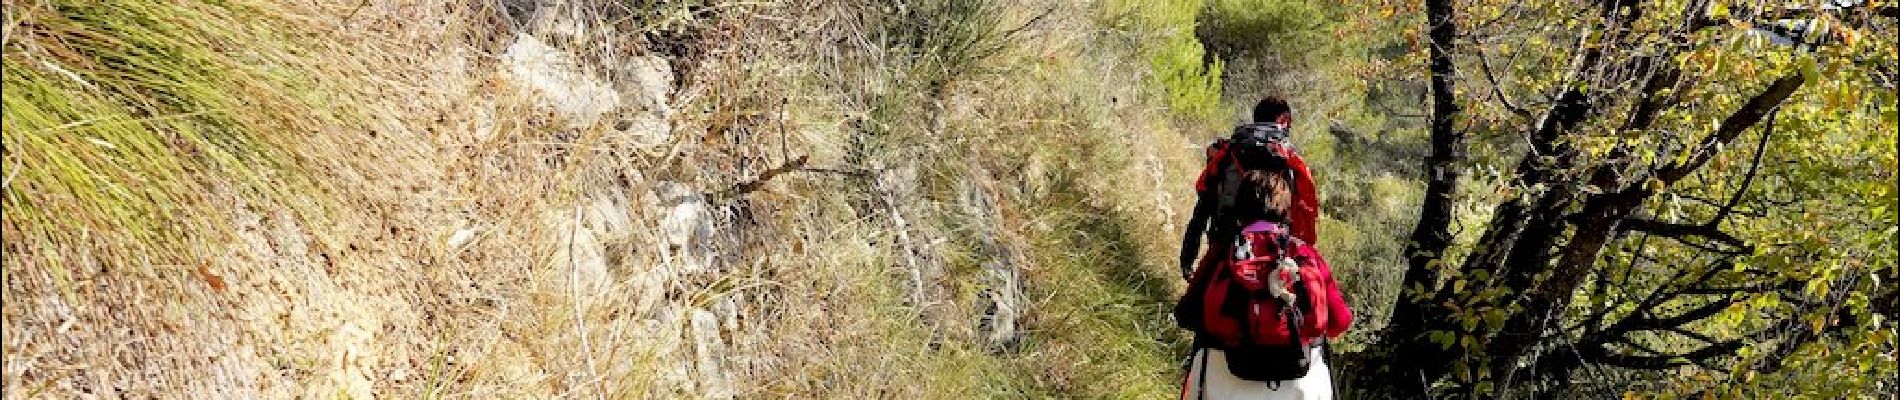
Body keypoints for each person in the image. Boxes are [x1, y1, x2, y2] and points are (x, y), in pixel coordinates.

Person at [1176, 97, 1342, 400]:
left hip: (1226, 248)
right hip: (1286, 259)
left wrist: (1189, 257)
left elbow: (1186, 315)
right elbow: (1339, 321)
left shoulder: (1229, 153)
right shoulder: (1288, 158)